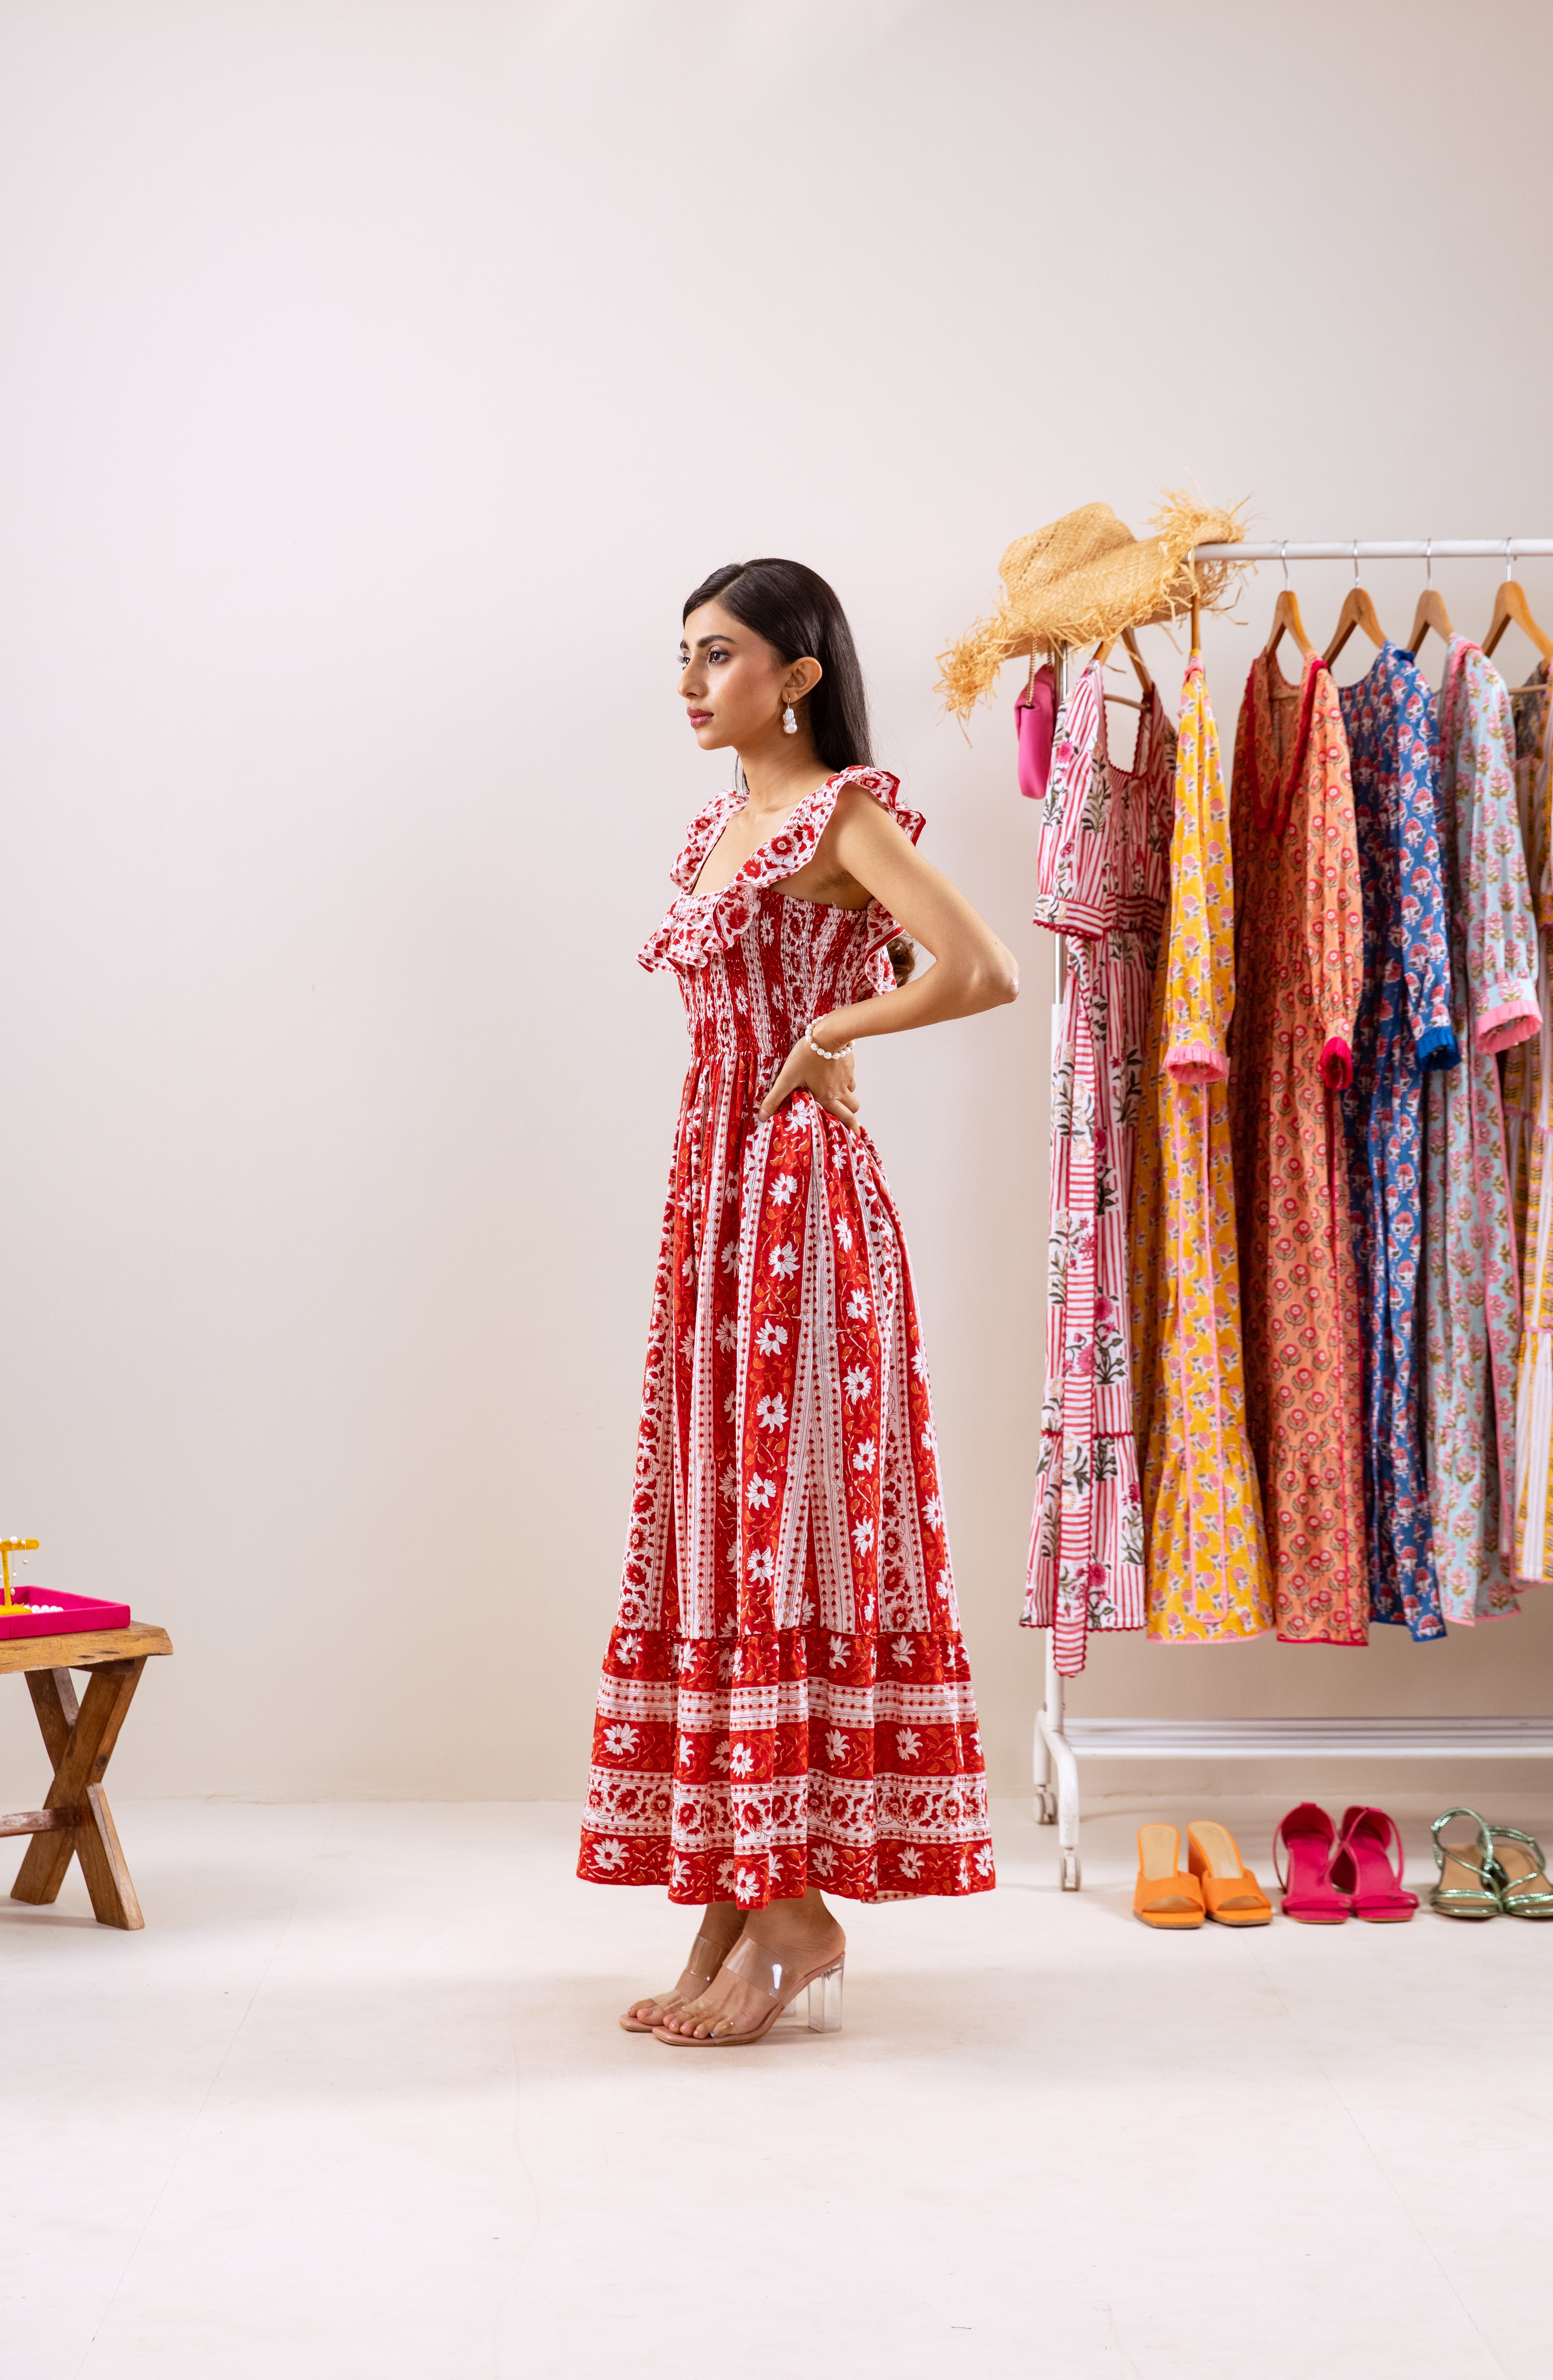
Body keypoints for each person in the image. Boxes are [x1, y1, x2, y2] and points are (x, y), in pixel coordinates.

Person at [577, 558, 1018, 2046]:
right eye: (683, 658)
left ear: (800, 671)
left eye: (720, 655)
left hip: (795, 1207)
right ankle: (734, 1889)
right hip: (714, 1197)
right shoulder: (727, 824)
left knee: (780, 1519)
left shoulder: (843, 813)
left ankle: (796, 1922)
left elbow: (977, 967)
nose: (694, 683)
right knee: (717, 1529)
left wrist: (833, 1021)